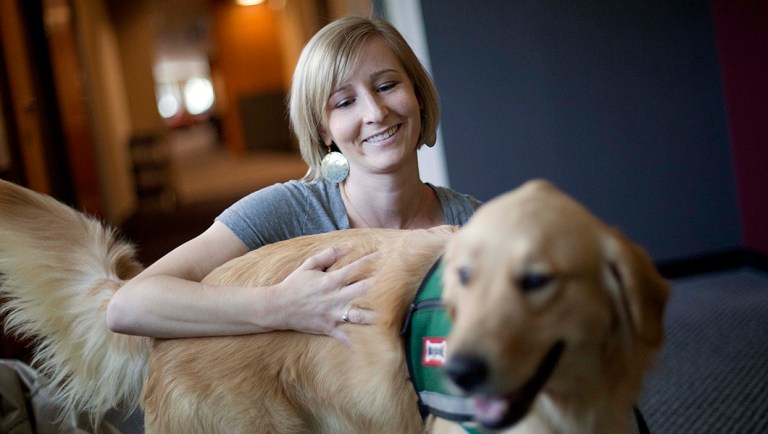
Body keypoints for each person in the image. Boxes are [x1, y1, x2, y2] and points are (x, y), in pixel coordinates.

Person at [106, 16, 481, 343]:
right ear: (323, 129)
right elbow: (128, 306)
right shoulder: (290, 209)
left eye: (386, 86)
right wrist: (282, 307)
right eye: (344, 102)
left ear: (416, 93)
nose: (376, 112)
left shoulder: (474, 224)